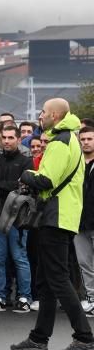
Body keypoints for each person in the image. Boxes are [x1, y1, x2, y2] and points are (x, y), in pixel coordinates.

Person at [11, 99, 94, 350]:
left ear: (55, 115)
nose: (41, 116)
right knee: (47, 280)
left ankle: (84, 336)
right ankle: (39, 337)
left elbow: (46, 179)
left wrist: (26, 174)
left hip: (56, 216)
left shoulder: (60, 142)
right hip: (61, 215)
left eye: (44, 112)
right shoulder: (68, 138)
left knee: (57, 278)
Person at [0, 124, 34, 313]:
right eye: (4, 137)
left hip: (18, 218)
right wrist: (8, 185)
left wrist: (1, 185)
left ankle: (24, 296)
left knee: (20, 258)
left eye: (10, 137)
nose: (7, 141)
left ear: (18, 139)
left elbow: (24, 188)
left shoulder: (26, 162)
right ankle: (0, 295)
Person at [75, 126, 94, 315]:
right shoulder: (77, 163)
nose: (86, 142)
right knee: (84, 264)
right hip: (78, 222)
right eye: (83, 139)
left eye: (90, 139)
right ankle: (91, 299)